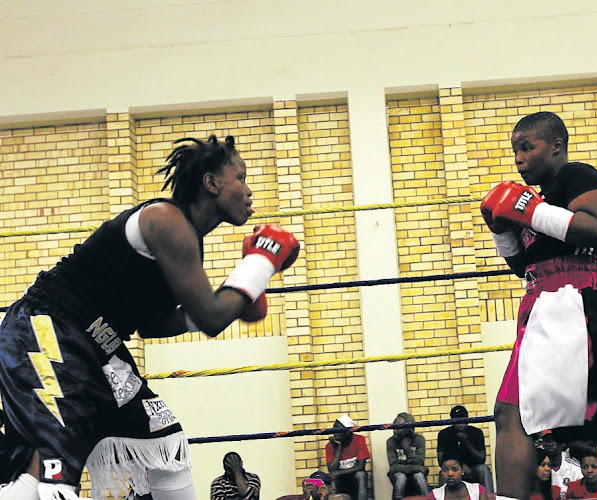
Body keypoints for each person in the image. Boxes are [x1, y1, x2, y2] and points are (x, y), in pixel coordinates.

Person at [0, 135, 299, 500]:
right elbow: (211, 316)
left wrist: (242, 286)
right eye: (241, 177)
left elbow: (153, 324)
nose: (249, 190)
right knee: (50, 464)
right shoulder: (165, 220)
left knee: (164, 440)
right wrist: (259, 264)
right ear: (211, 183)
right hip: (46, 330)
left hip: (100, 342)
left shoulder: (187, 240)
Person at [481, 111, 597, 500]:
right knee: (516, 414)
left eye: (527, 147)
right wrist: (502, 231)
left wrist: (529, 211)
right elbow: (523, 266)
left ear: (556, 146)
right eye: (515, 150)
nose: (519, 158)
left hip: (583, 300)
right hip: (546, 301)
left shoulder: (578, 176)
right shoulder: (539, 200)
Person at [436, 406, 494, 493]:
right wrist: (460, 467)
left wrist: (467, 443)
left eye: (464, 420)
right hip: (454, 468)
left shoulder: (476, 432)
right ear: (451, 421)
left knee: (483, 469)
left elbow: (482, 459)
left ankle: (489, 496)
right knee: (443, 473)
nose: (461, 424)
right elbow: (441, 461)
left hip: (473, 468)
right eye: (457, 421)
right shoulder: (444, 434)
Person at [386, 411, 430, 500]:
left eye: (398, 428)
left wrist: (407, 449)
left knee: (419, 476)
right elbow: (393, 467)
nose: (395, 431)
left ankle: (428, 498)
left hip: (415, 474)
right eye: (393, 428)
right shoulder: (390, 442)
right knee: (401, 477)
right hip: (398, 474)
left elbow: (419, 461)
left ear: (408, 429)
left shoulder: (419, 440)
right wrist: (416, 468)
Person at [326, 414, 370, 500]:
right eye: (333, 430)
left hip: (354, 477)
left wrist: (339, 472)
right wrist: (338, 447)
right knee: (332, 479)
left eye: (338, 430)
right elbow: (332, 470)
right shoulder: (330, 445)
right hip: (340, 480)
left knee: (361, 475)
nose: (334, 433)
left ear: (347, 432)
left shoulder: (359, 439)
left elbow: (361, 467)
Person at [541, 431, 582, 498]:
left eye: (554, 440)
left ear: (563, 443)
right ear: (543, 444)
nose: (550, 444)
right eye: (547, 440)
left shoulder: (575, 469)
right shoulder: (537, 468)